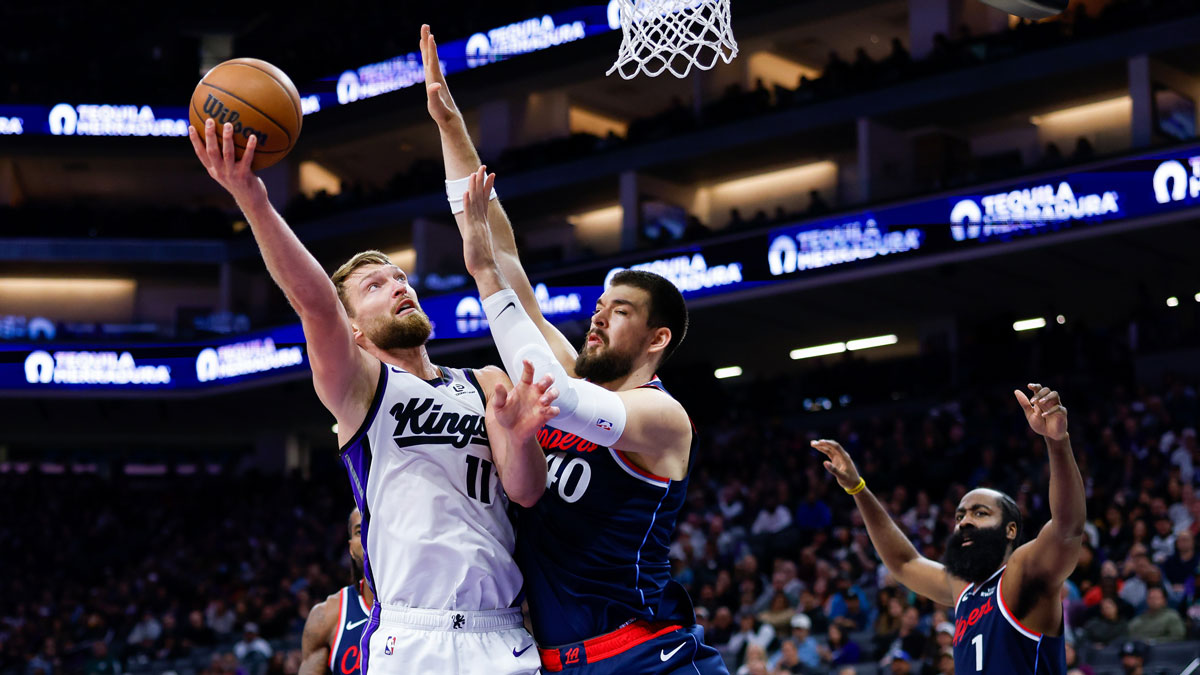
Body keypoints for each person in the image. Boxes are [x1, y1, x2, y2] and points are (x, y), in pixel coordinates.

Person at [188, 107, 558, 674]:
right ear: (353, 327)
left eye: (400, 279)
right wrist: (252, 198)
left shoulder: (486, 383)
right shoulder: (362, 387)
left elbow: (528, 493)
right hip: (412, 637)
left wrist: (519, 433)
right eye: (375, 285)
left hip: (502, 633)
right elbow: (313, 302)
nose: (397, 286)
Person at [423, 24, 727, 673]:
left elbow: (560, 398)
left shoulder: (661, 417)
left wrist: (483, 281)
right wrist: (450, 126)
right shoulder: (562, 372)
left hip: (651, 658)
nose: (596, 321)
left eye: (618, 312)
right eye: (596, 308)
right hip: (560, 662)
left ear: (657, 338)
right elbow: (501, 249)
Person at [813, 383, 1085, 673]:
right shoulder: (963, 589)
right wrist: (858, 489)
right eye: (959, 516)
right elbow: (904, 562)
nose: (965, 521)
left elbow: (1067, 528)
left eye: (980, 513)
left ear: (1010, 530)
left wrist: (1058, 442)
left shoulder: (1024, 572)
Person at [300, 508, 375, 675]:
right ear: (350, 548)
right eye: (359, 531)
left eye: (375, 526)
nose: (368, 536)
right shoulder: (326, 615)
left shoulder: (426, 604)